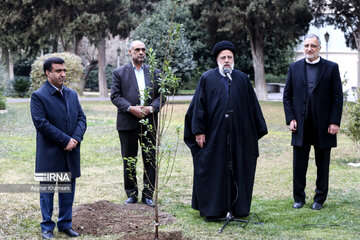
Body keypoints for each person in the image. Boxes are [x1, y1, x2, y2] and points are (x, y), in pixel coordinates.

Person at [184, 40, 268, 219]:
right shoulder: (207, 78)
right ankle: (213, 210)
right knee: (213, 170)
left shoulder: (242, 79)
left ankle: (237, 209)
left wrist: (252, 132)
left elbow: (252, 108)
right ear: (217, 60)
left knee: (237, 169)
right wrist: (198, 130)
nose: (227, 60)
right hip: (213, 138)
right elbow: (197, 107)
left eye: (230, 57)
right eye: (223, 57)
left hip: (238, 137)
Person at [283, 33, 343, 210]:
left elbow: (337, 98)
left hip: (324, 125)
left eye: (313, 46)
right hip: (301, 124)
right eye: (306, 45)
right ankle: (299, 198)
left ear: (319, 48)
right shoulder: (294, 68)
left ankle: (319, 199)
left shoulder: (331, 68)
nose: (309, 49)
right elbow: (287, 96)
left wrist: (334, 122)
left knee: (322, 164)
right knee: (299, 164)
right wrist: (291, 118)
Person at [30, 57, 87, 239]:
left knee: (67, 191)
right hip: (50, 154)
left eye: (64, 70)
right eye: (58, 71)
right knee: (47, 192)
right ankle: (47, 227)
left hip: (70, 152)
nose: (63, 74)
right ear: (48, 73)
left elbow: (81, 118)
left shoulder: (71, 94)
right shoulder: (38, 96)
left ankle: (65, 224)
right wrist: (65, 141)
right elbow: (41, 124)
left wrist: (75, 139)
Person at [110, 40, 162, 207]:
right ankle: (131, 194)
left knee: (150, 158)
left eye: (143, 49)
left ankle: (148, 195)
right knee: (129, 159)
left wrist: (152, 109)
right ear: (130, 52)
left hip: (149, 122)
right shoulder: (119, 73)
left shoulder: (155, 72)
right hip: (127, 122)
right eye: (137, 49)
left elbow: (162, 96)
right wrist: (131, 108)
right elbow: (115, 96)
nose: (141, 52)